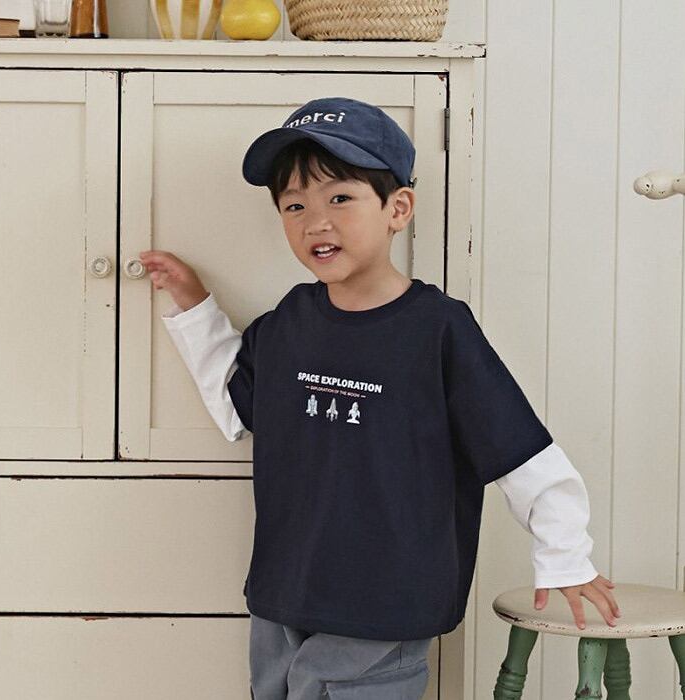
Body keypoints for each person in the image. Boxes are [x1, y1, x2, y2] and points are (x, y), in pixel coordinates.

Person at [139, 97, 620, 700]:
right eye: (295, 205)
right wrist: (193, 304)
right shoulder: (290, 322)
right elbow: (237, 405)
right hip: (283, 594)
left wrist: (566, 554)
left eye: (340, 198)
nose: (316, 222)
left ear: (398, 208)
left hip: (386, 602)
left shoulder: (438, 329)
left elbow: (519, 448)